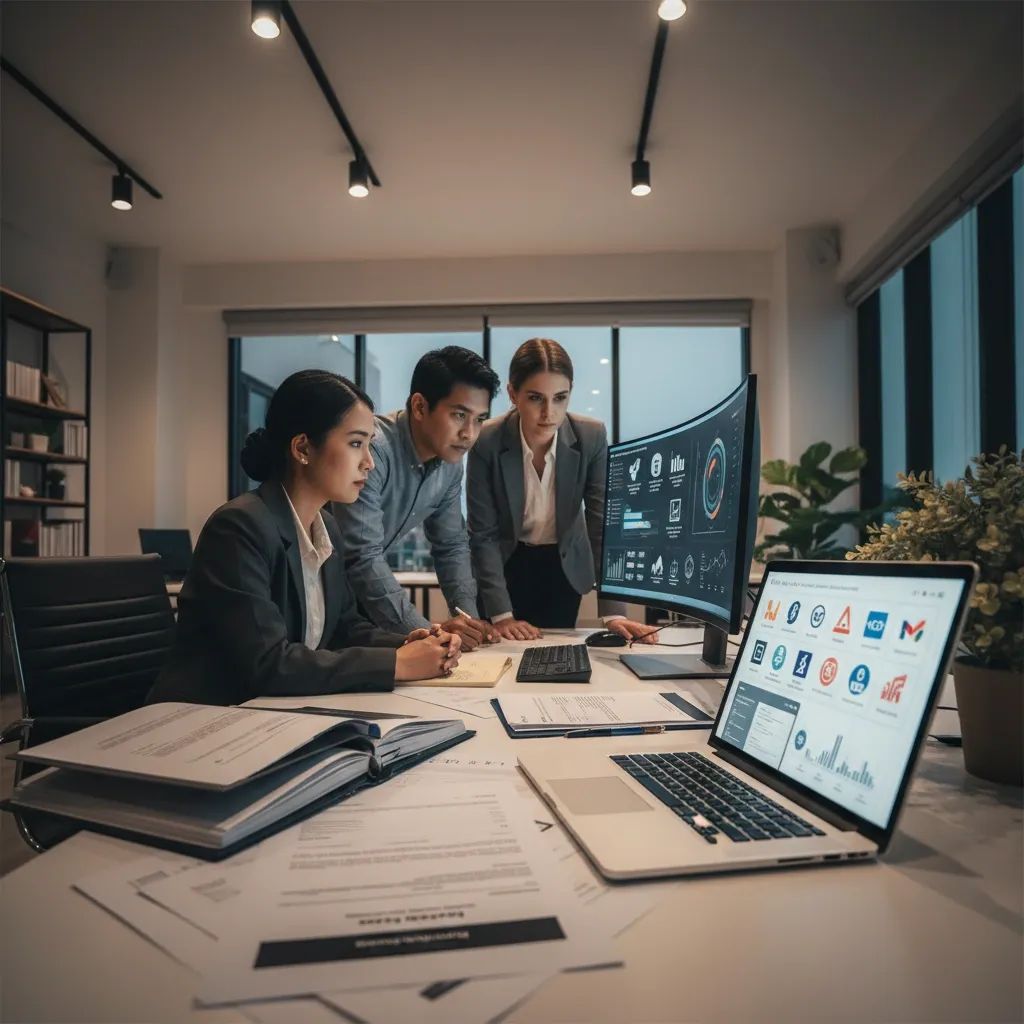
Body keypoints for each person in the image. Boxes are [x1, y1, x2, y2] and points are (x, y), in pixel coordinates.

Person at [148, 370, 460, 706]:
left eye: (369, 444)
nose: (369, 463)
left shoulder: (326, 528)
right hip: (207, 720)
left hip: (274, 713)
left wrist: (405, 643)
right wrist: (397, 664)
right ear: (302, 448)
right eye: (356, 443)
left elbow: (344, 628)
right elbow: (267, 663)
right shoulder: (240, 528)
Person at [466, 338, 655, 642]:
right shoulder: (486, 441)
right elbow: (483, 534)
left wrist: (614, 612)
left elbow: (601, 525)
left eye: (560, 397)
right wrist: (501, 615)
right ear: (513, 394)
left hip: (562, 567)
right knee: (501, 653)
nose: (549, 413)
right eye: (535, 398)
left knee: (553, 655)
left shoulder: (591, 435)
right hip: (503, 565)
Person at [332, 346, 502, 651]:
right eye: (459, 415)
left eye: (479, 420)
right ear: (421, 407)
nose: (469, 433)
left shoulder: (450, 466)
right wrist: (427, 636)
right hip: (319, 589)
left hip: (359, 602)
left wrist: (469, 622)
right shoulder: (375, 450)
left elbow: (450, 546)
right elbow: (362, 556)